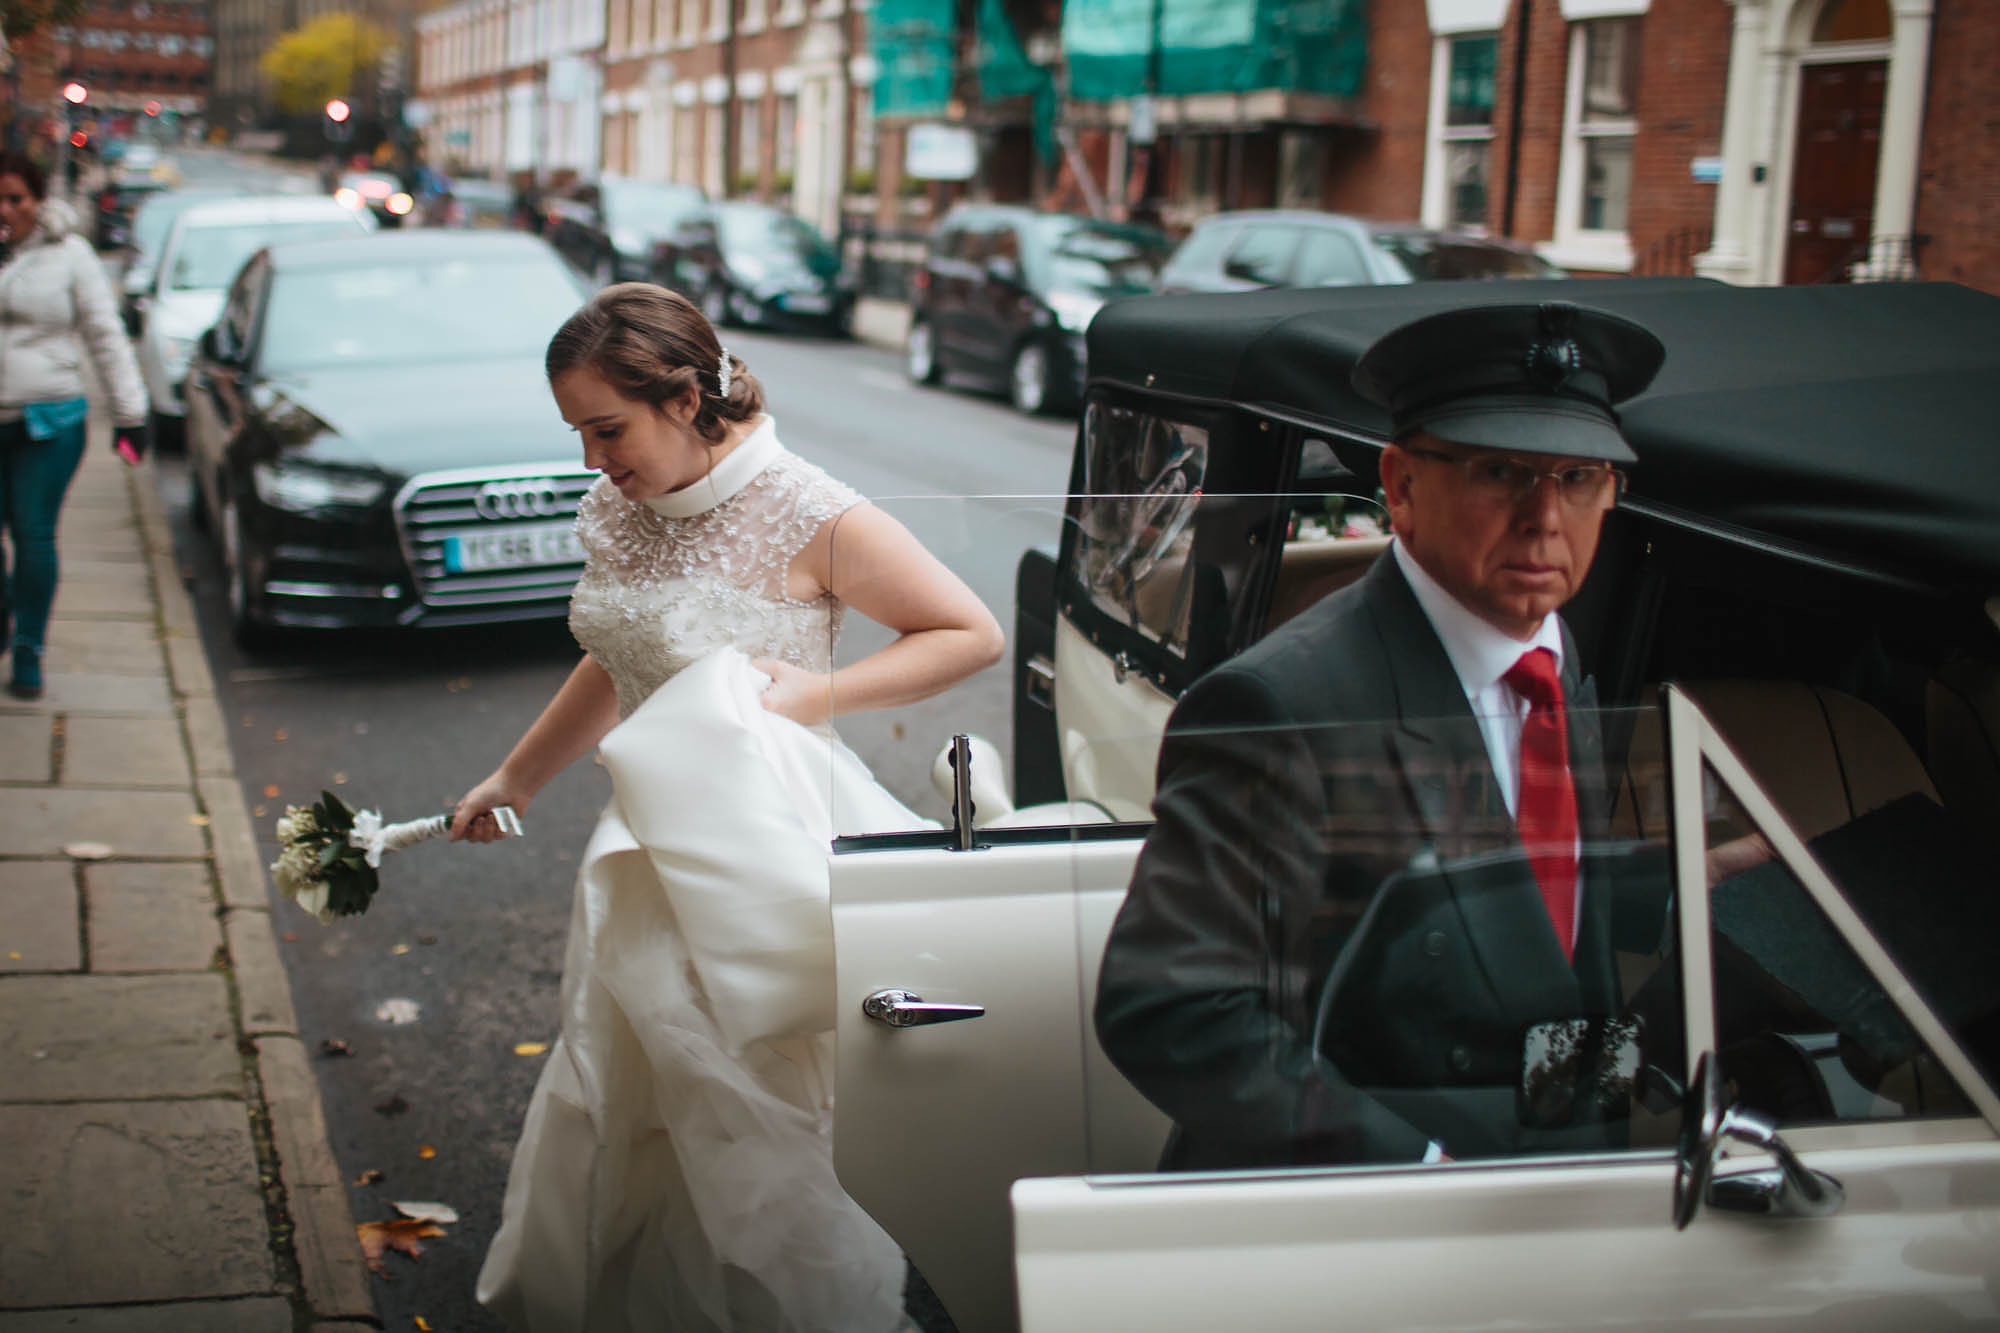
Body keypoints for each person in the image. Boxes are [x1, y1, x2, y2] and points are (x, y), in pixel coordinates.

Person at [451, 282, 1004, 1332]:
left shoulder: (809, 510)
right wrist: (515, 777)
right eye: (576, 433)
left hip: (760, 845)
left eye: (606, 429)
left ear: (685, 396)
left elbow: (966, 632)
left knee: (751, 1107)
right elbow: (618, 653)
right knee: (639, 1088)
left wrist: (815, 694)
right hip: (648, 847)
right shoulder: (615, 507)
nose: (591, 460)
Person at [1094, 300, 1671, 1172]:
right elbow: (1168, 1006)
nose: (1546, 517)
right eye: (1504, 471)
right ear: (1401, 485)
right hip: (1353, 1225)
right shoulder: (1280, 704)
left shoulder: (1555, 655)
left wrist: (1583, 1140)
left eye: (1580, 477)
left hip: (1545, 1196)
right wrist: (1418, 1164)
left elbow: (1539, 928)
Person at [0, 150, 147, 700]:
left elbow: (106, 335)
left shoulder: (71, 255)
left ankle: (29, 648)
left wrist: (130, 414)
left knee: (33, 533)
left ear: (38, 201)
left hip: (51, 420)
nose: (6, 209)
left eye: (16, 198)